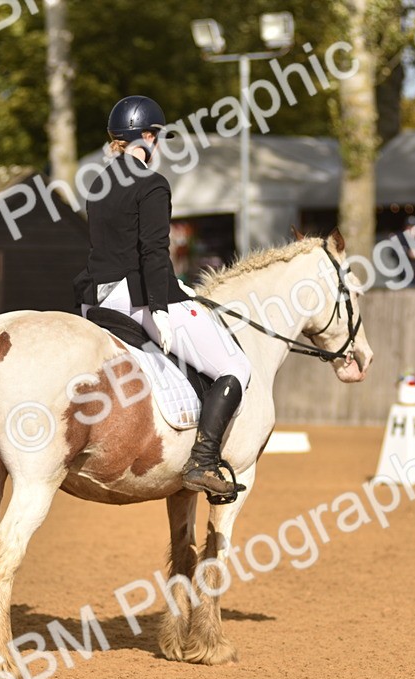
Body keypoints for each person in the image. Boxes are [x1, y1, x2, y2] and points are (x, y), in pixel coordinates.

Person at [72, 95, 252, 499]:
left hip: (95, 299)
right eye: (157, 138)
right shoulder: (152, 184)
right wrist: (161, 309)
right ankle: (203, 461)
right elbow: (153, 252)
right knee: (235, 366)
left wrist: (179, 288)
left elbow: (113, 248)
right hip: (137, 300)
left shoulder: (98, 183)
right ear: (148, 136)